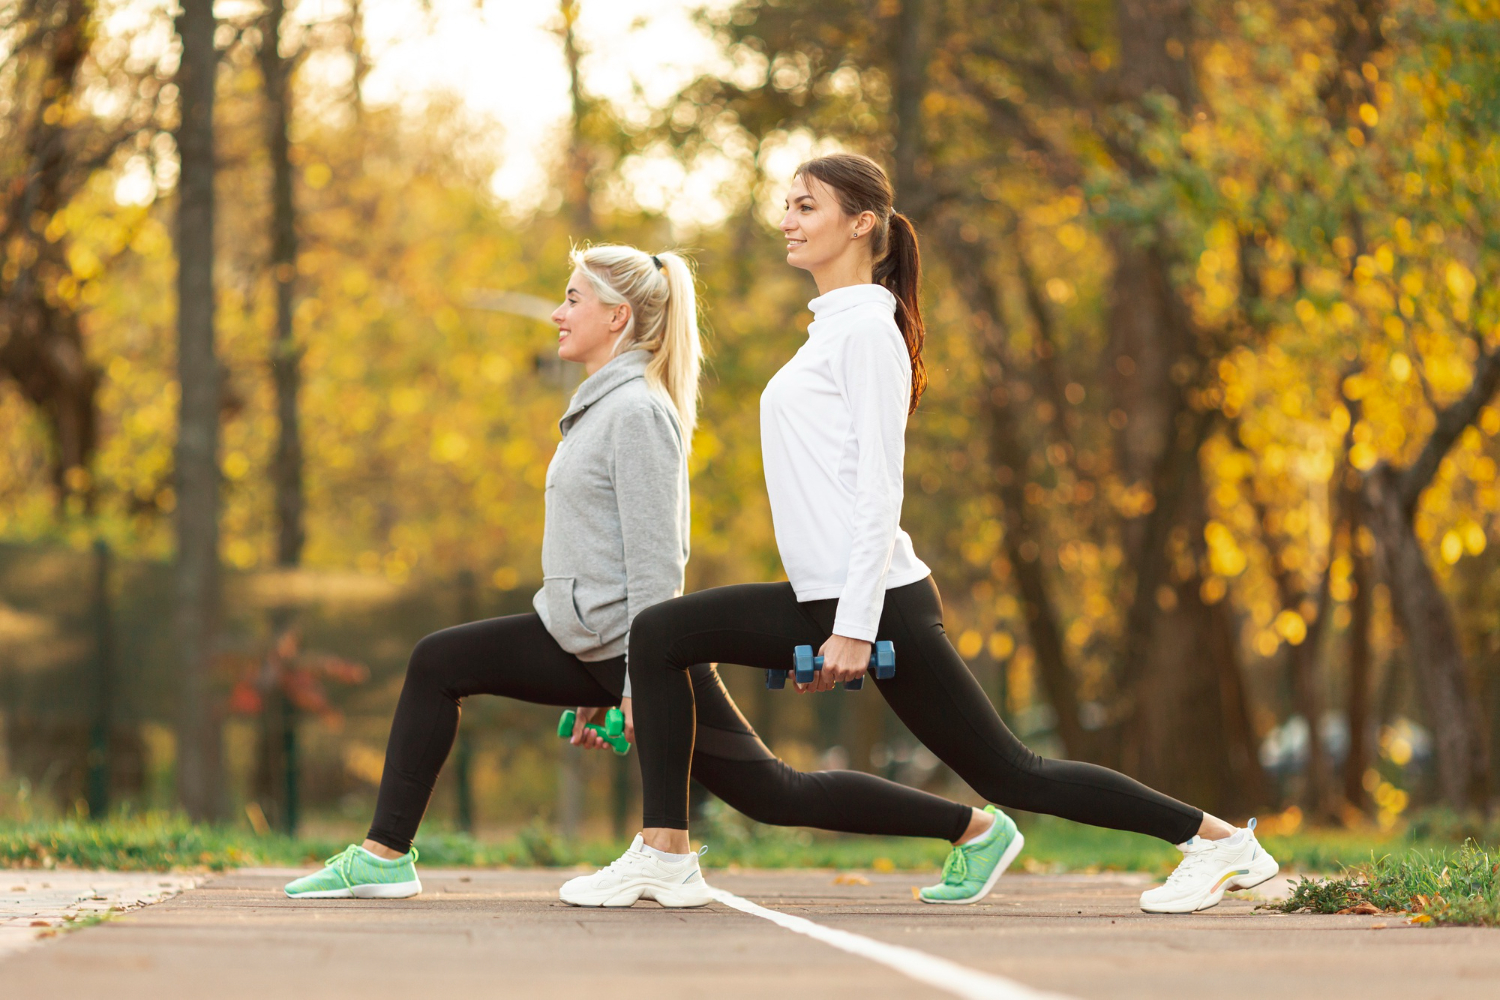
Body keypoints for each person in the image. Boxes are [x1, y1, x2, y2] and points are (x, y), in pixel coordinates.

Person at [562, 155, 1280, 915]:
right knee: (663, 632)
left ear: (861, 222)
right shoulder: (833, 329)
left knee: (1013, 773)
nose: (787, 221)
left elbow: (879, 488)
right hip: (829, 596)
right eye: (788, 206)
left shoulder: (869, 332)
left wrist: (853, 629)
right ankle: (664, 852)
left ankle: (1218, 842)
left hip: (877, 600)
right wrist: (831, 619)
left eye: (806, 207)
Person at [284, 243, 1014, 904]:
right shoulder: (602, 405)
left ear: (617, 316)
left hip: (626, 646)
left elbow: (660, 559)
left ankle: (972, 828)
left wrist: (636, 682)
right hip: (582, 639)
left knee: (773, 792)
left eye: (572, 299)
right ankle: (385, 855)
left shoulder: (636, 411)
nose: (556, 313)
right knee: (441, 662)